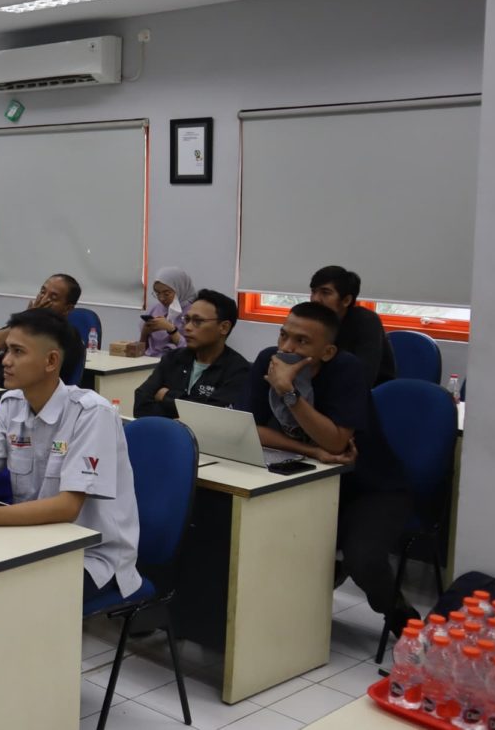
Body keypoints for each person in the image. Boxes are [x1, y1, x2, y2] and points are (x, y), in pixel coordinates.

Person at [0, 309, 141, 603]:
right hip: (30, 538)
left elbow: (67, 507)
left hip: (90, 556)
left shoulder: (91, 414)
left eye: (18, 352)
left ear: (51, 361)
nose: (5, 360)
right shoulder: (11, 405)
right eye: (6, 350)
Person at [249, 301, 416, 632]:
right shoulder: (268, 360)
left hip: (371, 487)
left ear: (327, 352)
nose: (287, 348)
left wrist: (288, 392)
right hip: (311, 481)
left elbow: (336, 443)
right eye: (284, 336)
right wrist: (308, 449)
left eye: (301, 341)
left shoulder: (347, 370)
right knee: (265, 535)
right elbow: (251, 428)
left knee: (363, 558)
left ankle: (400, 615)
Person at [133, 289, 251, 419]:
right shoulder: (173, 358)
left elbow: (211, 417)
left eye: (198, 321)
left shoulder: (238, 370)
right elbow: (141, 406)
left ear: (224, 327)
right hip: (164, 431)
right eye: (187, 319)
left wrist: (166, 396)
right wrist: (188, 406)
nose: (187, 327)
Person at [0, 273, 84, 387]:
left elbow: (35, 373)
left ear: (68, 308)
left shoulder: (66, 336)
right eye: (43, 292)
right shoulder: (26, 324)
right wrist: (28, 318)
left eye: (53, 298)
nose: (43, 299)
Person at [309, 265, 396, 387]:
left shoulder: (367, 321)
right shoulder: (314, 320)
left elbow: (363, 376)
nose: (315, 299)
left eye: (325, 293)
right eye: (313, 292)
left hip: (372, 391)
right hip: (327, 386)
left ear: (346, 300)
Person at [142, 266, 197, 357]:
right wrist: (145, 332)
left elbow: (194, 352)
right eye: (157, 293)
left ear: (180, 289)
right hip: (151, 361)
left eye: (167, 294)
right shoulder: (154, 310)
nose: (161, 298)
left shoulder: (194, 312)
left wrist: (171, 329)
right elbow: (143, 349)